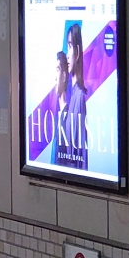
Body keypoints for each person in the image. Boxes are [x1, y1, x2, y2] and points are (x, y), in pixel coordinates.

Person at [56, 23, 88, 171]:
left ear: (78, 51)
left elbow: (82, 154)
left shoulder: (80, 96)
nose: (67, 54)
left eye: (70, 46)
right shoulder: (72, 96)